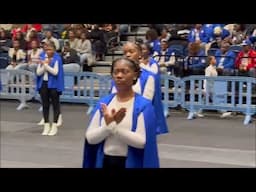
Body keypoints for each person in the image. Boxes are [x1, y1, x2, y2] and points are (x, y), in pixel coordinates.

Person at [82, 58, 159, 168]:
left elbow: (142, 142)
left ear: (135, 75)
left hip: (130, 163)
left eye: (124, 71)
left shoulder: (143, 105)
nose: (119, 75)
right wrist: (108, 127)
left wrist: (113, 127)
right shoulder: (104, 103)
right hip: (105, 161)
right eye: (115, 72)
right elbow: (90, 138)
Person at [111, 41, 169, 135]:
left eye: (131, 51)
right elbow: (113, 97)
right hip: (119, 118)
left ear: (139, 54)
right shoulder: (117, 75)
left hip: (140, 120)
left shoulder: (149, 76)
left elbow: (146, 103)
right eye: (125, 52)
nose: (127, 55)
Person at [36, 41, 64, 136]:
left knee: (55, 105)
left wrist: (46, 65)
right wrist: (44, 65)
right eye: (47, 49)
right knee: (45, 105)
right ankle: (46, 125)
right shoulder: (43, 58)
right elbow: (38, 73)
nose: (48, 51)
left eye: (50, 49)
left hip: (54, 85)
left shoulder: (57, 59)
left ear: (54, 50)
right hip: (44, 83)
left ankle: (54, 125)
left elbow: (55, 72)